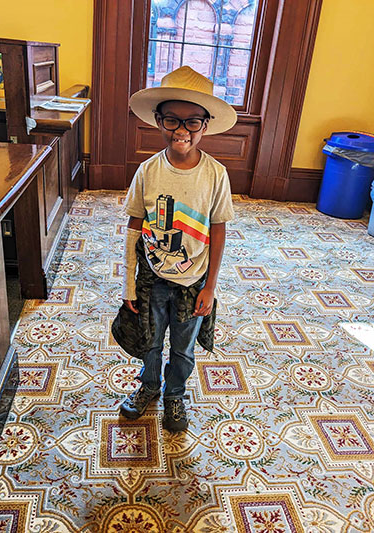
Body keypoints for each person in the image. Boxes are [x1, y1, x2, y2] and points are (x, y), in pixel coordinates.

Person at [116, 66, 236, 432]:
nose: (182, 130)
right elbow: (133, 228)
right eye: (172, 119)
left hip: (194, 281)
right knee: (150, 342)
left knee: (183, 348)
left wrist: (211, 287)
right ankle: (150, 386)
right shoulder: (147, 171)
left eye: (192, 121)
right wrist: (129, 285)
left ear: (205, 124)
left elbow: (219, 230)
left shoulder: (215, 175)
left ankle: (174, 394)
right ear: (158, 121)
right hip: (152, 277)